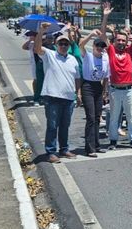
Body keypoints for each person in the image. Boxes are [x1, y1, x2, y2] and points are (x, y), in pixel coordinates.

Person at [34, 22, 81, 163]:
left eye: (66, 44)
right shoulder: (50, 55)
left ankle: (64, 149)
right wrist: (41, 32)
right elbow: (37, 48)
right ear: (56, 44)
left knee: (65, 126)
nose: (64, 46)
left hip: (68, 98)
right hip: (52, 97)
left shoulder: (72, 59)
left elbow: (77, 78)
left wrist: (78, 93)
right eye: (61, 44)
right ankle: (51, 151)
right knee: (52, 126)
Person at [99, 2, 132, 150]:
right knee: (114, 117)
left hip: (129, 90)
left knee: (131, 117)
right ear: (115, 41)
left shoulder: (130, 51)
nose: (121, 42)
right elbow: (103, 34)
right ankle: (113, 141)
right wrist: (105, 16)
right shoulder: (110, 50)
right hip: (115, 90)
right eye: (119, 40)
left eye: (124, 40)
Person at [78, 29, 110, 157]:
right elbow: (80, 45)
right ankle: (89, 148)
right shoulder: (88, 56)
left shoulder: (105, 59)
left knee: (97, 117)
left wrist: (105, 91)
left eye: (102, 47)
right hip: (87, 86)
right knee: (90, 117)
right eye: (97, 46)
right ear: (93, 46)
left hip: (98, 86)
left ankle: (96, 145)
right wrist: (91, 35)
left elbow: (106, 77)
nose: (100, 49)